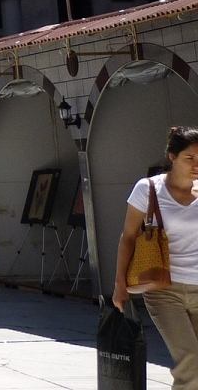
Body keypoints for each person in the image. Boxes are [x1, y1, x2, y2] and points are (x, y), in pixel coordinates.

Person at [116, 126, 198, 389]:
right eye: (190, 158)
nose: (196, 165)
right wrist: (120, 286)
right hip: (164, 290)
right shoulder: (149, 189)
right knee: (191, 361)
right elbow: (128, 237)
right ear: (173, 157)